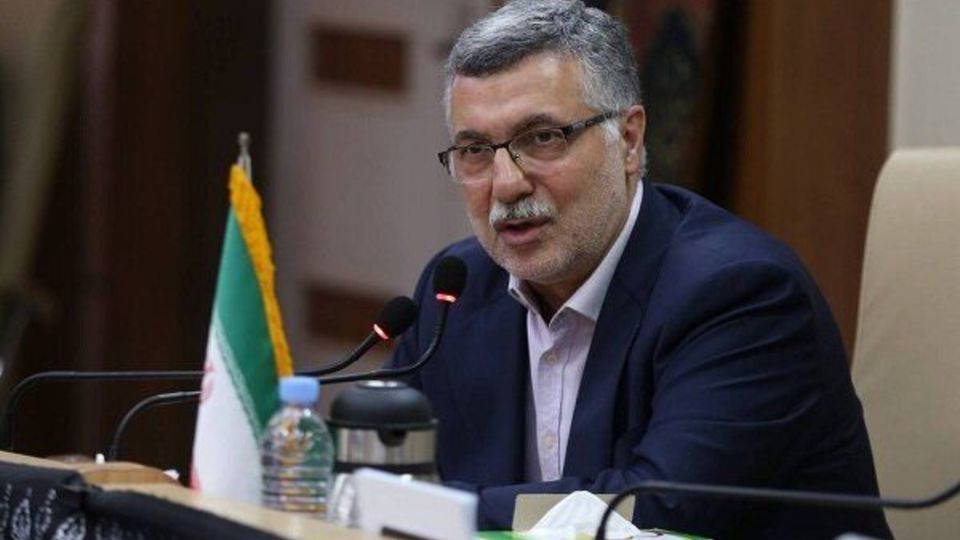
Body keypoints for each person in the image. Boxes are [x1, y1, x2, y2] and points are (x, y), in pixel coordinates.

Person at [391, 1, 891, 537]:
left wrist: (430, 510)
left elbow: (654, 511)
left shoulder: (740, 294)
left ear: (628, 140)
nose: (506, 183)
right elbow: (385, 471)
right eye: (474, 150)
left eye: (542, 138)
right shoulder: (456, 290)